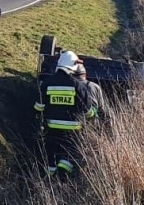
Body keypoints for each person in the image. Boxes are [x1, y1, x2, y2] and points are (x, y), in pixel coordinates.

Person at [35, 49, 101, 177]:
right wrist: (94, 114)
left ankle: (49, 180)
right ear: (73, 66)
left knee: (52, 156)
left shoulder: (46, 84)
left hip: (51, 129)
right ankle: (62, 178)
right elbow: (87, 111)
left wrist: (39, 121)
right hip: (73, 131)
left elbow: (39, 107)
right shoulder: (78, 86)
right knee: (69, 155)